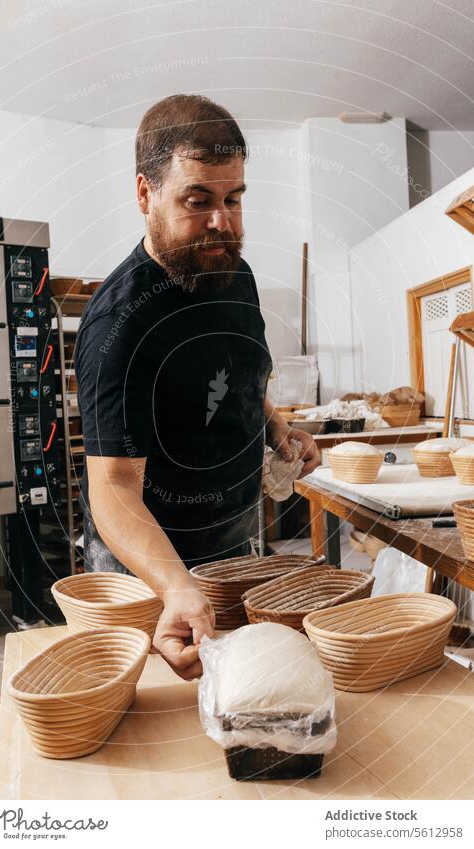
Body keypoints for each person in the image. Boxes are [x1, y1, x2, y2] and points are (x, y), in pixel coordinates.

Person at [74, 94, 321, 680]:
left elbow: (238, 375)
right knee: (162, 723)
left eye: (234, 198)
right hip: (146, 566)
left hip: (233, 539)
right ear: (144, 194)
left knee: (239, 693)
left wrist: (279, 429)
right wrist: (176, 585)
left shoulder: (235, 274)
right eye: (198, 201)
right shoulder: (120, 325)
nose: (223, 222)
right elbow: (111, 487)